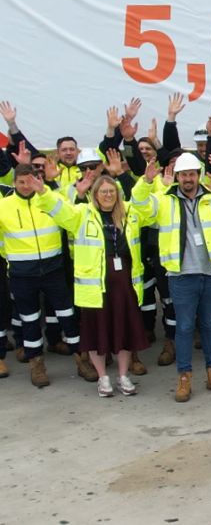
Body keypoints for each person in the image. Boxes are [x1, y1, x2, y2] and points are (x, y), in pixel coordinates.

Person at [130, 151, 211, 402]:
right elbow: (139, 206)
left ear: (198, 175)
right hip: (181, 275)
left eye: (192, 174)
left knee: (209, 325)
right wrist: (145, 182)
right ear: (177, 177)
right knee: (183, 327)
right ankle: (184, 377)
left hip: (210, 272)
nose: (188, 179)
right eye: (183, 175)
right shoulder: (164, 200)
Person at [36, 172, 154, 396]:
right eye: (103, 191)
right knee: (96, 333)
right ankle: (103, 378)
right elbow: (59, 210)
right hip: (95, 288)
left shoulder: (129, 212)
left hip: (124, 283)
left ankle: (123, 376)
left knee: (124, 331)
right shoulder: (82, 213)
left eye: (112, 191)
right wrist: (43, 191)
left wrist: (146, 181)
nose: (108, 195)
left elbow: (141, 200)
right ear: (95, 195)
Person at [0, 161, 97, 387]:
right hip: (22, 273)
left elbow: (73, 218)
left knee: (67, 316)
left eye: (30, 181)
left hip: (53, 269)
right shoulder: (4, 206)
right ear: (14, 183)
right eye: (21, 182)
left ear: (39, 180)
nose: (26, 186)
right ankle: (37, 364)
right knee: (30, 320)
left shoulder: (51, 199)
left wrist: (80, 195)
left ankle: (81, 360)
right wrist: (13, 259)